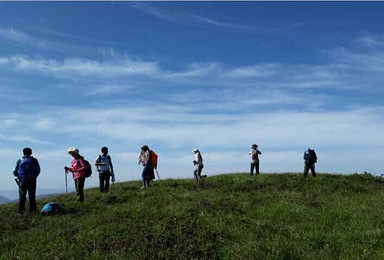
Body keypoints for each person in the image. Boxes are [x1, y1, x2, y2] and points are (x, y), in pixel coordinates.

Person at [13, 147, 40, 214]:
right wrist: (34, 176)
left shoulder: (19, 160)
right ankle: (32, 211)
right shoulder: (34, 160)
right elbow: (38, 170)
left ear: (23, 153)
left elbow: (14, 171)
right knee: (32, 196)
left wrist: (18, 176)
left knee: (22, 197)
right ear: (30, 153)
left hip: (22, 181)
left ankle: (21, 212)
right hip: (32, 180)